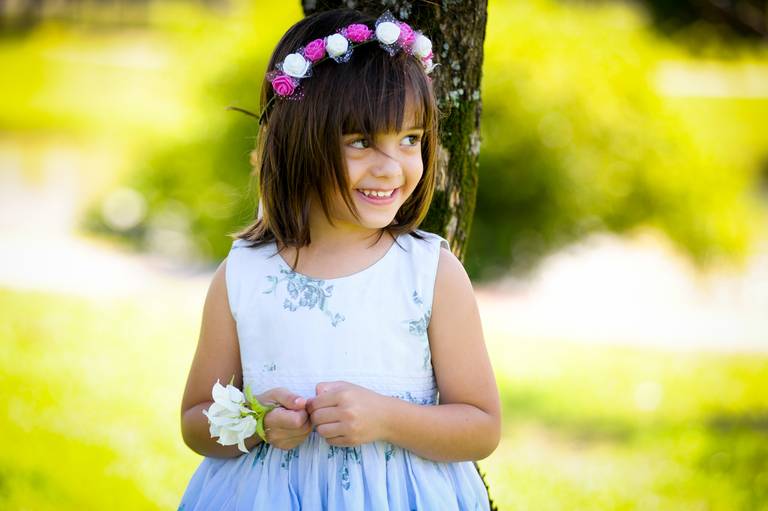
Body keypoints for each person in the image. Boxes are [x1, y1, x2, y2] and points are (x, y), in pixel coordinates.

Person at [178, 8, 500, 510]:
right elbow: (196, 422)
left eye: (410, 139)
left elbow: (481, 426)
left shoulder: (430, 273)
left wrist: (387, 418)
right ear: (301, 141)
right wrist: (259, 421)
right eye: (361, 141)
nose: (390, 166)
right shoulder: (244, 274)